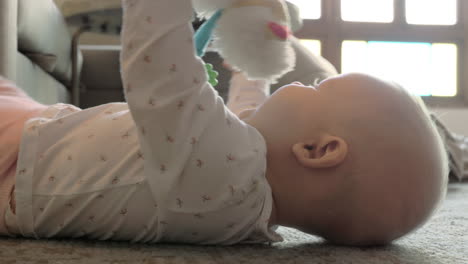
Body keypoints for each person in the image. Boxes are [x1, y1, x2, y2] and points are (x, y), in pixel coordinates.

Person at [0, 0, 448, 246]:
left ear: (318, 151)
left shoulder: (223, 180)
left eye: (313, 88)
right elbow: (251, 104)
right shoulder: (242, 190)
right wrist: (260, 41)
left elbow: (160, 73)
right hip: (40, 134)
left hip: (16, 166)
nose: (301, 84)